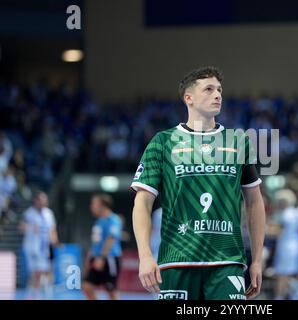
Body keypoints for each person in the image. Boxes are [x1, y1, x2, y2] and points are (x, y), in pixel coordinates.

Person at [131, 66, 266, 300]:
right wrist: (145, 256)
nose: (217, 95)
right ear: (189, 98)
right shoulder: (163, 142)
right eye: (209, 89)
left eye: (220, 90)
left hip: (227, 261)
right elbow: (142, 202)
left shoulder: (238, 141)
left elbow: (254, 201)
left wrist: (256, 260)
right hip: (176, 261)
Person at [82, 194, 123, 300]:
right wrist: (90, 257)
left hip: (109, 259)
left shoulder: (114, 219)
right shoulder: (98, 221)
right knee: (86, 285)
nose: (91, 206)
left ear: (102, 205)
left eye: (94, 204)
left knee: (111, 290)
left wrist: (102, 257)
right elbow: (96, 242)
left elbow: (111, 239)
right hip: (96, 258)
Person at [20, 191, 58, 299]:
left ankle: (34, 295)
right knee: (35, 271)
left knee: (40, 271)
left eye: (44, 200)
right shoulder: (29, 213)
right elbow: (21, 227)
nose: (43, 202)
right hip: (31, 248)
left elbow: (52, 229)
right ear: (36, 201)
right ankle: (32, 294)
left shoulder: (49, 213)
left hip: (44, 248)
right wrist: (31, 227)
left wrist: (55, 240)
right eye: (40, 200)